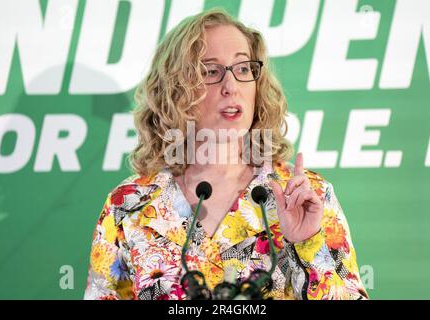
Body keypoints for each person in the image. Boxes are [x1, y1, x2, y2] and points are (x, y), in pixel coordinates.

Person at [84, 8, 368, 300]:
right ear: (174, 90)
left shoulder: (307, 196)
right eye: (210, 71)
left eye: (243, 68)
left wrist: (307, 244)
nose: (231, 86)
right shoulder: (129, 205)